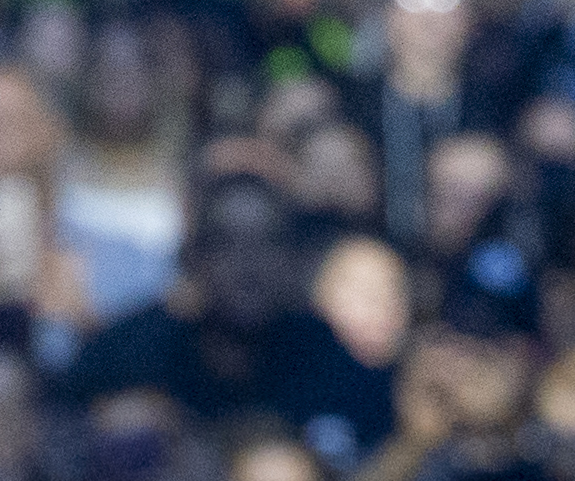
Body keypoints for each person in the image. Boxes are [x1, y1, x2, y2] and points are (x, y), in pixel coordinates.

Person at [54, 177, 393, 467]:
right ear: (194, 258)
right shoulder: (131, 354)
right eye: (226, 243)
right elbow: (54, 432)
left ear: (292, 259)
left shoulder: (328, 360)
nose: (248, 266)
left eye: (267, 242)